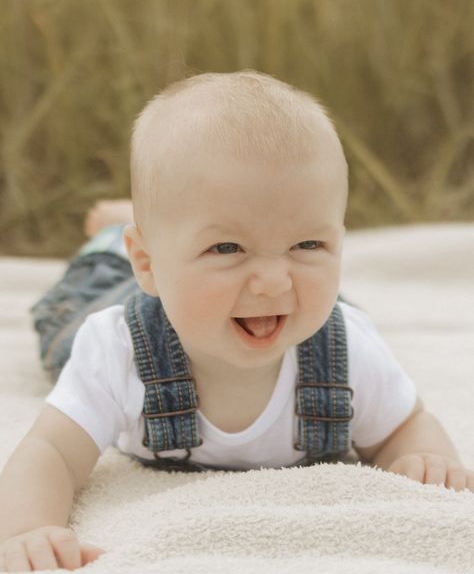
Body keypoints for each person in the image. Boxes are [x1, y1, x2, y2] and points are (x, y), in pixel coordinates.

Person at [0, 71, 472, 572]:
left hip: (231, 298)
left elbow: (404, 426)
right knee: (74, 316)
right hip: (130, 295)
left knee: (319, 303)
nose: (271, 279)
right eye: (226, 246)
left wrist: (422, 456)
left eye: (309, 242)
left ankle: (168, 231)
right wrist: (28, 528)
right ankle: (115, 236)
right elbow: (51, 449)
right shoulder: (115, 348)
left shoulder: (348, 349)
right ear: (148, 262)